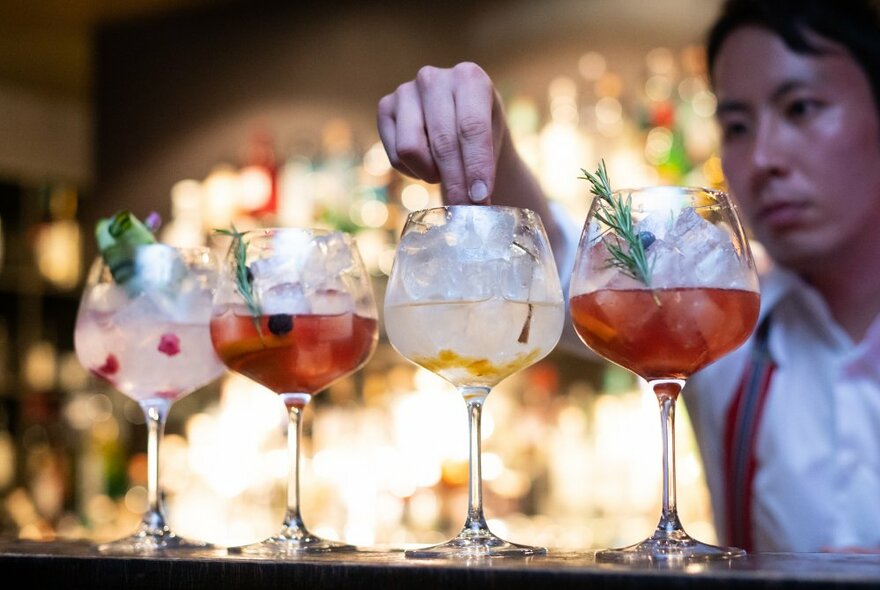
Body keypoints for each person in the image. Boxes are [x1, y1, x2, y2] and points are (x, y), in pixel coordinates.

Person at [376, 0, 880, 553]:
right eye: (736, 125)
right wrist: (491, 143)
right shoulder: (723, 317)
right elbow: (563, 276)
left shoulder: (730, 307)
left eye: (802, 108)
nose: (762, 158)